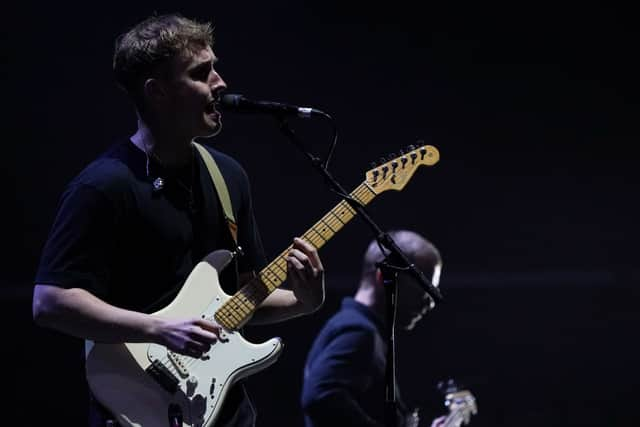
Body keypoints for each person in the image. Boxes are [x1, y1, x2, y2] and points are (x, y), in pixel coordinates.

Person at [32, 13, 325, 427]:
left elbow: (242, 296)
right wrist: (158, 329)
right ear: (158, 92)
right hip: (136, 402)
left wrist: (303, 302)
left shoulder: (229, 176)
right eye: (201, 73)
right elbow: (50, 302)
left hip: (224, 409)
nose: (220, 83)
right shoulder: (103, 186)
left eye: (215, 68)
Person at [301, 230, 442, 427]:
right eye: (423, 287)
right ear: (384, 276)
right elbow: (321, 397)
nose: (430, 303)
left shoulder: (360, 328)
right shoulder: (358, 331)